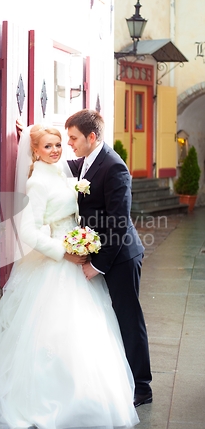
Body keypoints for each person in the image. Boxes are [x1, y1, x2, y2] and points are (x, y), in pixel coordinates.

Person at [0, 124, 139, 429]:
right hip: (56, 260)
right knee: (54, 330)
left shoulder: (62, 173)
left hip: (76, 254)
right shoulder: (37, 183)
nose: (57, 150)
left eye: (60, 143)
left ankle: (88, 393)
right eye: (48, 146)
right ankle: (51, 398)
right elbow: (29, 232)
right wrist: (64, 251)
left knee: (85, 329)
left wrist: (81, 243)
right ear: (35, 151)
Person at [65, 109, 152, 407]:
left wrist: (97, 265)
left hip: (121, 256)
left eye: (73, 138)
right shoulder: (89, 160)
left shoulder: (115, 167)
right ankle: (122, 378)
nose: (69, 144)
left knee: (129, 319)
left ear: (92, 137)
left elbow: (118, 221)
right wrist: (34, 140)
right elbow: (68, 165)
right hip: (103, 252)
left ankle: (142, 387)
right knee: (112, 318)